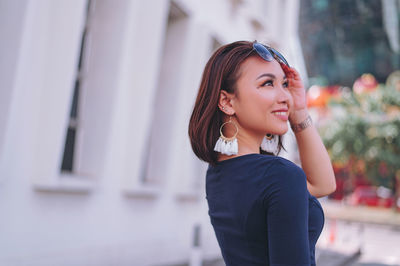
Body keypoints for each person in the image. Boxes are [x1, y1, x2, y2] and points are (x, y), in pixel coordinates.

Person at [188, 40, 336, 265]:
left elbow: (323, 185)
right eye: (268, 83)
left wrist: (299, 112)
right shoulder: (279, 175)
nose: (285, 97)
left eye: (284, 84)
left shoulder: (219, 171)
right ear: (227, 101)